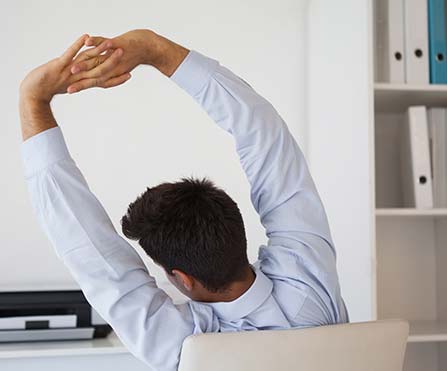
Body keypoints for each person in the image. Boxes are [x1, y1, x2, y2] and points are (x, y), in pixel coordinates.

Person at [20, 30, 348, 371]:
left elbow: (88, 248)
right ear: (235, 229)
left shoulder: (186, 344)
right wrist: (156, 50)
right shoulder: (310, 278)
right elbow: (266, 136)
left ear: (183, 279)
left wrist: (33, 101)